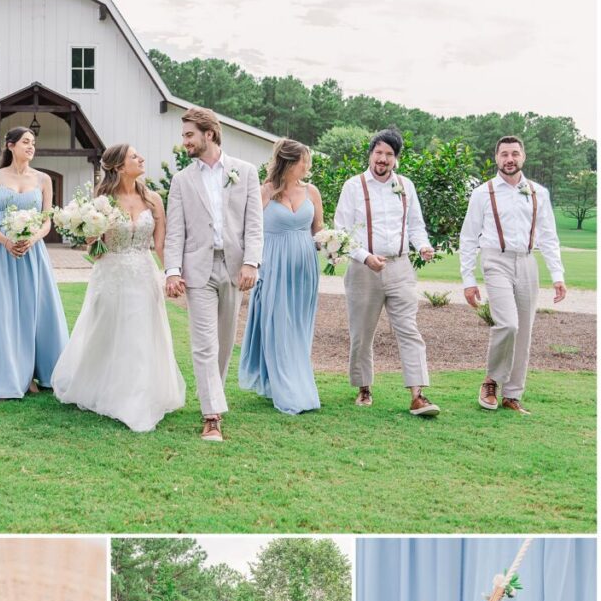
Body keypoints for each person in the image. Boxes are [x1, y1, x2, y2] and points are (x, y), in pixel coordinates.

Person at [52, 144, 185, 431]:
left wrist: (172, 274)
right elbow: (95, 251)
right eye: (134, 156)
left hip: (144, 273)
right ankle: (106, 388)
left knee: (142, 334)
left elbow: (160, 245)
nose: (141, 158)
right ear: (120, 167)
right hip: (111, 274)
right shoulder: (103, 201)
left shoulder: (153, 199)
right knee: (108, 332)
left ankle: (139, 394)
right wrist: (90, 233)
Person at [164, 107, 263, 442]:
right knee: (204, 343)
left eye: (189, 135)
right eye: (184, 136)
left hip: (234, 267)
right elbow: (175, 230)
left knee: (224, 343)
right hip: (198, 270)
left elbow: (254, 224)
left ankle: (212, 397)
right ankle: (211, 416)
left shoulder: (245, 172)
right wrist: (173, 271)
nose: (185, 142)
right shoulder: (181, 180)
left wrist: (252, 262)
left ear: (209, 134)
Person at [334, 128, 440, 416]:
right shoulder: (353, 186)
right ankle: (364, 387)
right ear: (370, 154)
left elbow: (415, 225)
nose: (383, 159)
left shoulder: (406, 185)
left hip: (400, 266)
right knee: (362, 333)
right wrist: (365, 257)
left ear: (396, 158)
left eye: (389, 154)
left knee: (409, 329)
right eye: (378, 153)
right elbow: (342, 231)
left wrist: (423, 246)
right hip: (363, 269)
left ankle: (418, 394)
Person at [459, 135, 566, 414]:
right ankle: (491, 381)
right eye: (504, 154)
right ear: (496, 158)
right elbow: (468, 238)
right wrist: (468, 280)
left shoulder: (538, 192)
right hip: (496, 259)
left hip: (527, 261)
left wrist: (557, 275)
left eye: (515, 154)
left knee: (524, 331)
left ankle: (512, 394)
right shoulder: (483, 193)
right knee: (508, 324)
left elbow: (549, 236)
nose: (509, 159)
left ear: (523, 157)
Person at [0, 126, 68, 399]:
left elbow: (47, 221)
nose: (31, 147)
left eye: (33, 143)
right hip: (1, 251)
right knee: (4, 311)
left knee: (35, 310)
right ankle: (9, 375)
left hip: (33, 252)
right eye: (26, 142)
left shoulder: (43, 179)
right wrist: (6, 242)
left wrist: (33, 239)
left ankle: (34, 374)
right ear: (10, 145)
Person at [239, 138, 323, 413]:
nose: (307, 166)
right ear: (288, 163)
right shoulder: (264, 192)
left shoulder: (312, 192)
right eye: (303, 161)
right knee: (277, 325)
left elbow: (318, 230)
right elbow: (249, 230)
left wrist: (333, 244)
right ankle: (285, 389)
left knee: (298, 326)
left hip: (305, 271)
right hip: (272, 267)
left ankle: (296, 381)